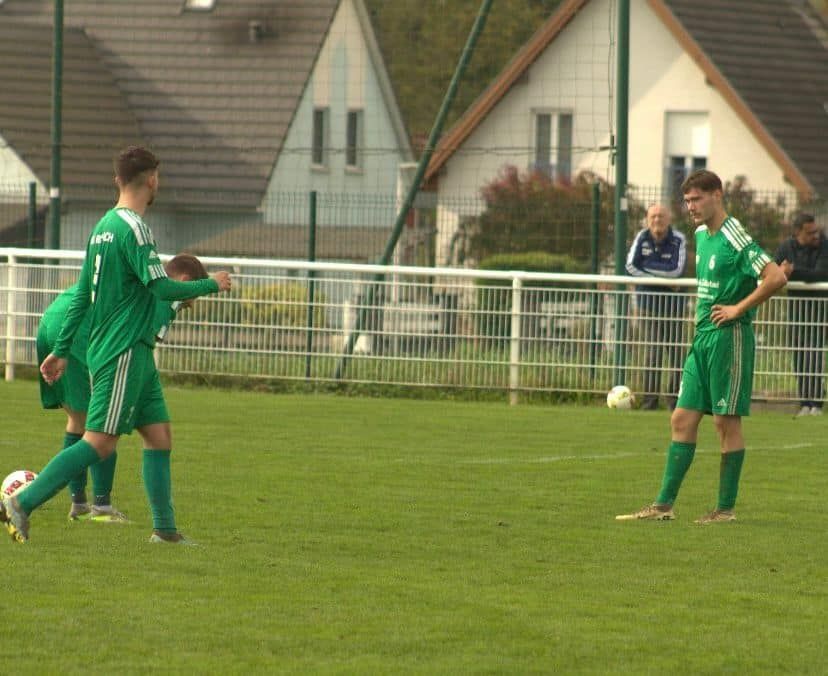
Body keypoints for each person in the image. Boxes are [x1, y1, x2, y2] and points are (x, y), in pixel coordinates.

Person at [1, 145, 232, 544]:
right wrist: (213, 283)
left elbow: (82, 297)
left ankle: (165, 531)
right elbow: (161, 287)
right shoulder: (135, 228)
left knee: (158, 436)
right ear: (153, 179)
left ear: (117, 180)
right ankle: (23, 501)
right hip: (123, 349)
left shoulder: (102, 227)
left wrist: (61, 348)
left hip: (133, 353)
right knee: (100, 440)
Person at [616, 169, 787, 524]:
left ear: (717, 195)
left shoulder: (734, 235)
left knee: (726, 424)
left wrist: (739, 307)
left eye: (696, 199)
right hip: (702, 338)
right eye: (687, 200)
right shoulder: (700, 234)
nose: (690, 207)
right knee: (681, 418)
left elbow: (775, 276)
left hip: (729, 338)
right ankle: (663, 505)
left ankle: (724, 510)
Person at [36, 253, 211, 523]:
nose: (190, 303)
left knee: (79, 417)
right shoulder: (165, 293)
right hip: (80, 327)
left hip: (54, 317)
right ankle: (97, 507)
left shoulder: (141, 275)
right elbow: (142, 340)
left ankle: (80, 504)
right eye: (192, 297)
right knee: (103, 425)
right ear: (185, 281)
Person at [625, 204, 688, 409]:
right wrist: (659, 276)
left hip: (674, 309)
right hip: (648, 307)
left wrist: (648, 269)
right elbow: (630, 267)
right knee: (653, 354)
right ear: (647, 219)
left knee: (678, 356)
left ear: (669, 218)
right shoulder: (641, 237)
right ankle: (649, 403)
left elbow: (676, 271)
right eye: (653, 216)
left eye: (661, 216)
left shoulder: (679, 239)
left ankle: (675, 402)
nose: (656, 220)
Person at [774, 213, 828, 416]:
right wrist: (783, 271)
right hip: (796, 309)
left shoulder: (824, 245)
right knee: (799, 354)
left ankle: (816, 402)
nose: (816, 235)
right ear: (798, 232)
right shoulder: (786, 246)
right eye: (810, 232)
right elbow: (773, 268)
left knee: (814, 354)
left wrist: (791, 271)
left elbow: (821, 274)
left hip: (819, 309)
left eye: (816, 230)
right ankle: (804, 401)